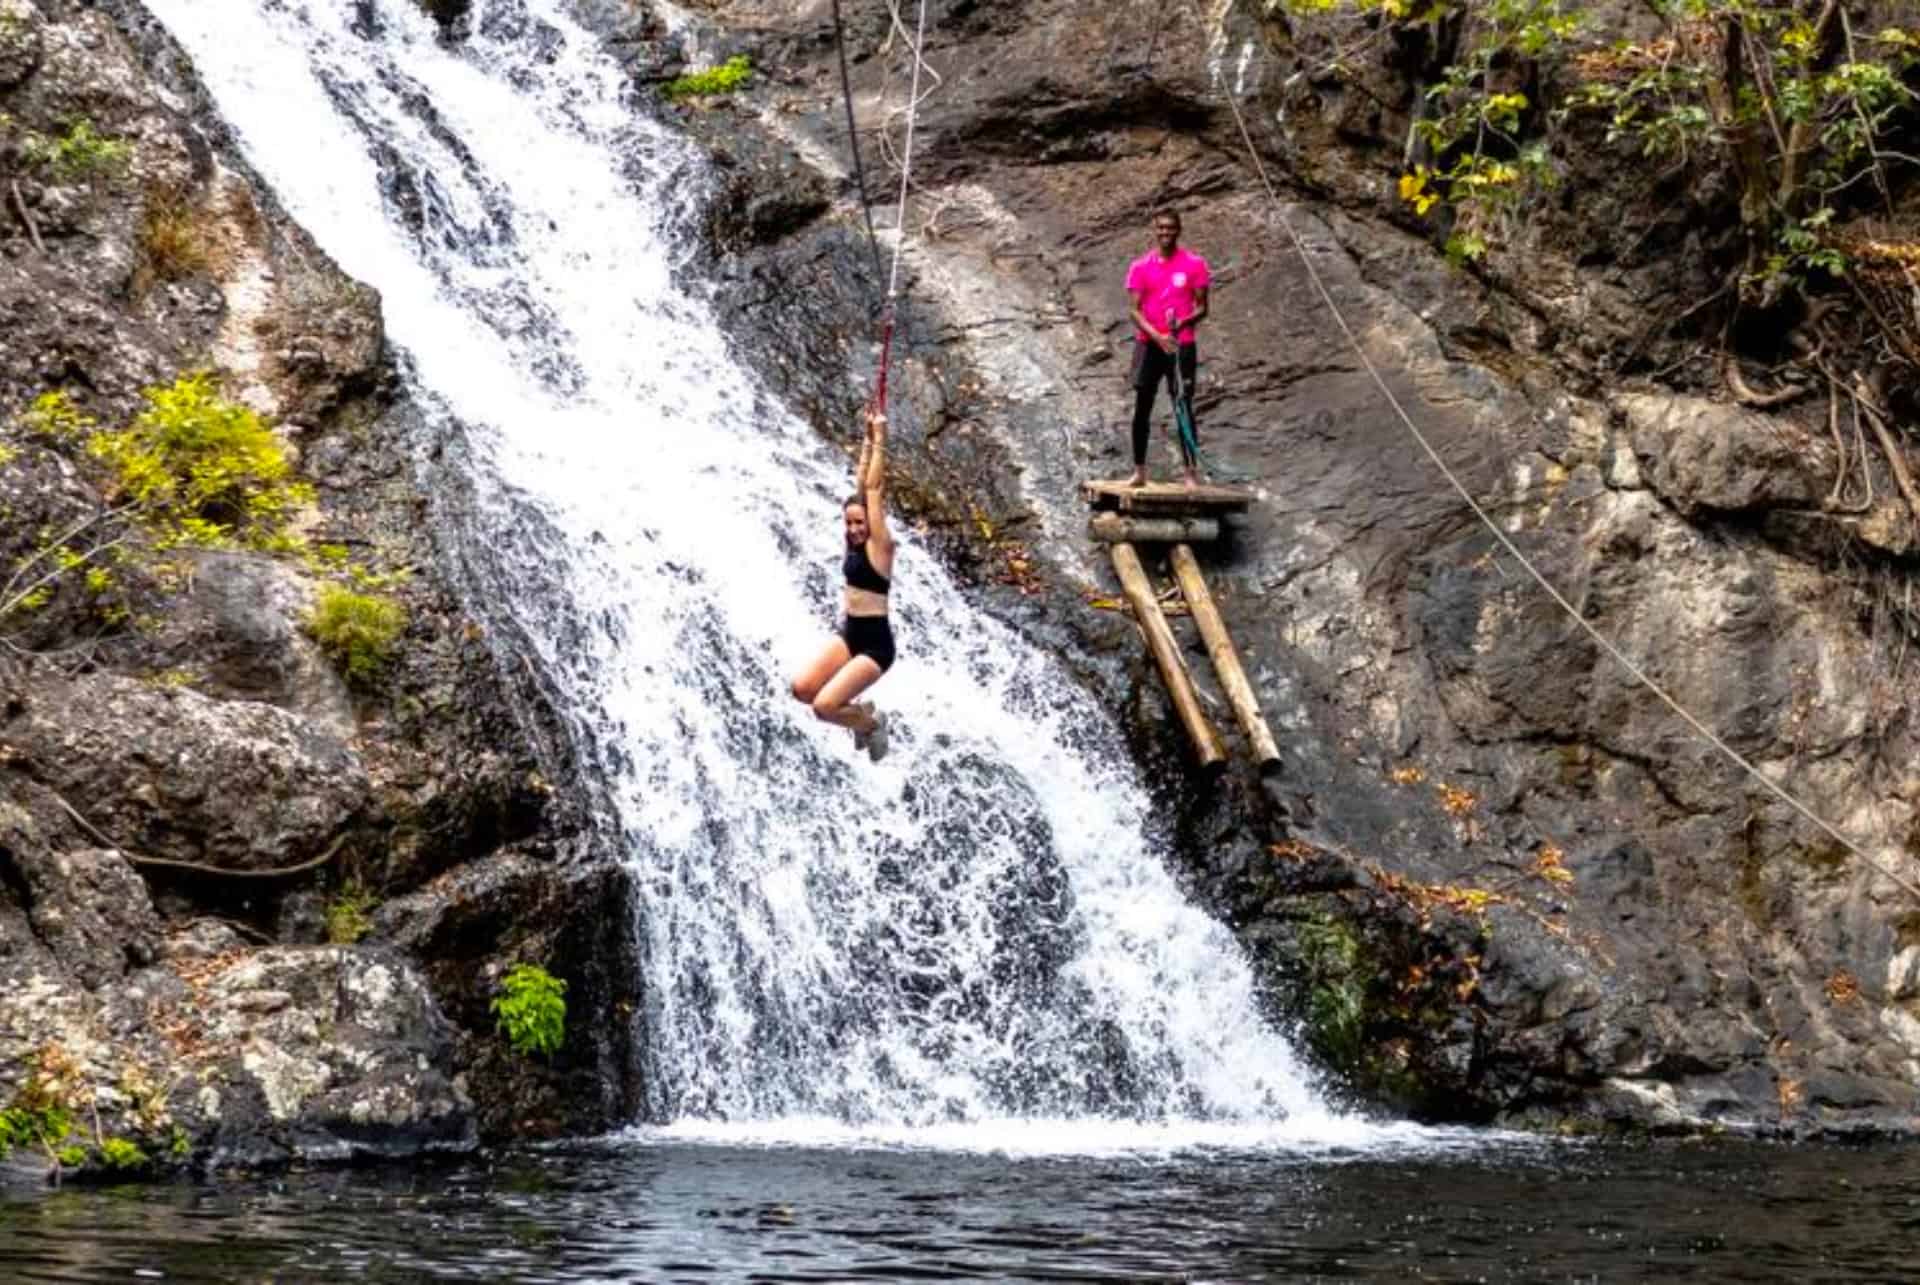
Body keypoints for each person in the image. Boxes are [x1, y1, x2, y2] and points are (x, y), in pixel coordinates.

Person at [790, 407, 894, 761]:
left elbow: (874, 490)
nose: (852, 529)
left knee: (824, 707)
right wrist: (866, 437)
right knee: (802, 688)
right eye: (848, 523)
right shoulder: (853, 542)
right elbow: (862, 485)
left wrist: (880, 439)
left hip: (876, 646)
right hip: (850, 634)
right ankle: (858, 713)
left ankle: (870, 723)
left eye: (859, 523)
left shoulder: (880, 547)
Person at [1124, 207, 1210, 488]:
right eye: (1161, 228)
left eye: (1170, 228)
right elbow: (1134, 311)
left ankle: (1189, 472)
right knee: (1142, 407)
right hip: (1149, 345)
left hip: (1181, 345)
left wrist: (1181, 323)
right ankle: (1139, 470)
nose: (1165, 233)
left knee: (1183, 405)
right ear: (1154, 230)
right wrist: (1157, 336)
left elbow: (1202, 307)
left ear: (1179, 230)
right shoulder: (1140, 266)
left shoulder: (1194, 264)